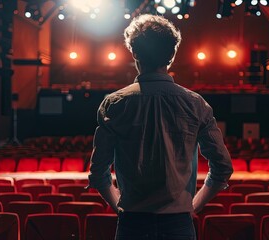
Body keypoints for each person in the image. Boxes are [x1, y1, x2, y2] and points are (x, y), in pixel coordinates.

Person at [89, 14, 233, 240]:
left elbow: (98, 173)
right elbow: (223, 167)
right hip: (179, 223)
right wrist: (192, 205)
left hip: (132, 223)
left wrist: (120, 206)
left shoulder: (115, 104)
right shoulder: (195, 104)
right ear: (172, 55)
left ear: (134, 53)